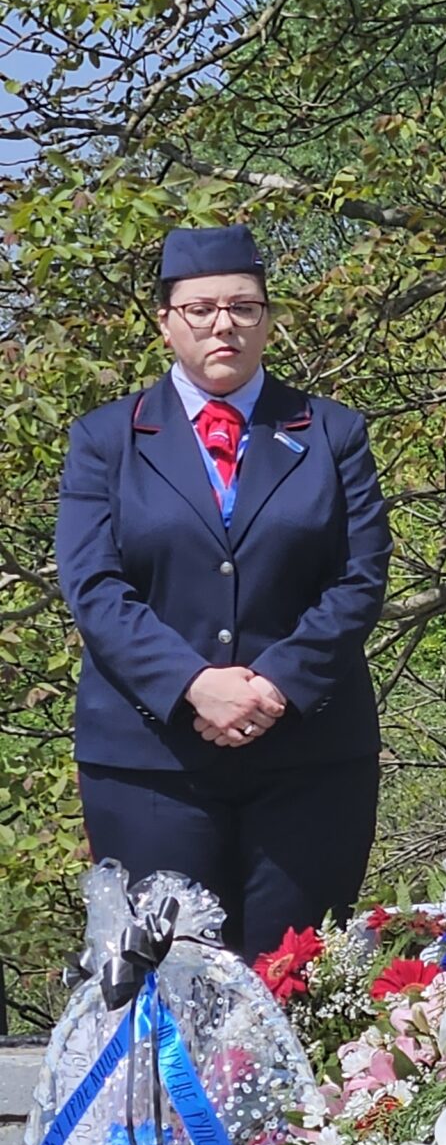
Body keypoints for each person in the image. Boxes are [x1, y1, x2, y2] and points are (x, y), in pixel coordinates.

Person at [56, 224, 390, 958]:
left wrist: (273, 684)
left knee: (294, 988)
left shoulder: (332, 435)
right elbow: (93, 584)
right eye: (201, 309)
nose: (223, 326)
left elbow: (359, 578)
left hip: (309, 756)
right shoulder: (107, 439)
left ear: (267, 319)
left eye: (243, 307)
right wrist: (194, 685)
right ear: (166, 322)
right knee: (167, 988)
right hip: (151, 761)